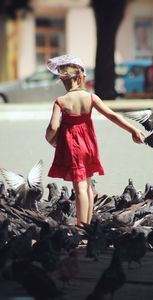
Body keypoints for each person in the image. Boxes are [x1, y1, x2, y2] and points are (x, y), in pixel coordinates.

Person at [45, 54, 145, 226]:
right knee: (89, 185)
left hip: (73, 147)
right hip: (89, 145)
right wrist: (133, 130)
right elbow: (112, 116)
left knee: (80, 189)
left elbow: (53, 127)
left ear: (64, 80)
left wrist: (50, 139)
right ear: (81, 77)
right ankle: (88, 224)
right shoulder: (91, 97)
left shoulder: (61, 101)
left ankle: (81, 226)